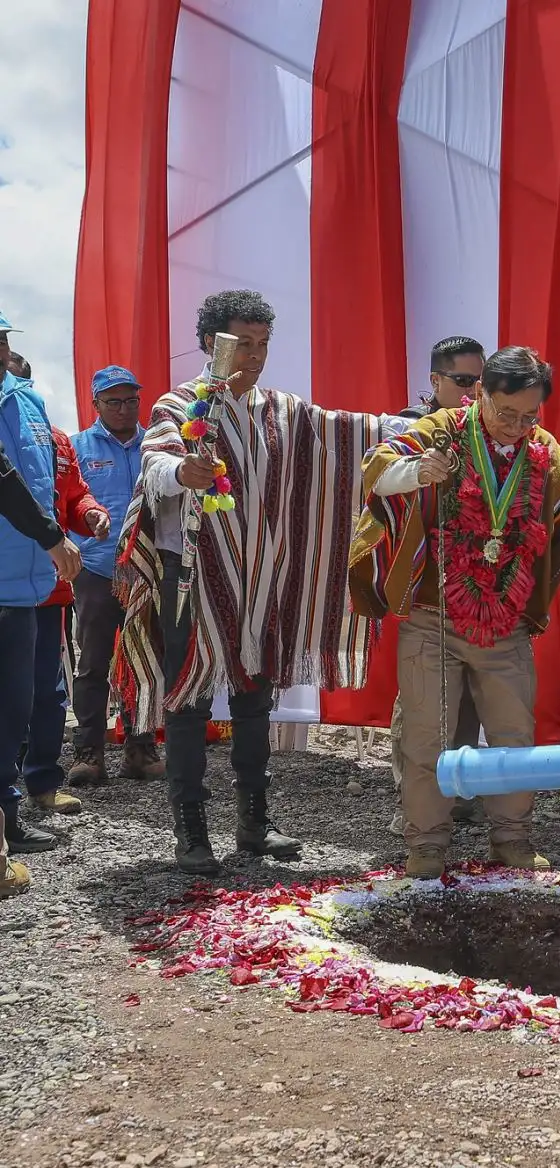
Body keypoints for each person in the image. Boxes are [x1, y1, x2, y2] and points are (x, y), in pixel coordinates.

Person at [112, 290, 389, 874]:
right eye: (244, 343)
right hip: (188, 574)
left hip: (262, 574)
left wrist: (415, 424)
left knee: (254, 697)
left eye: (264, 344)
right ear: (210, 342)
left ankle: (253, 824)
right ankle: (191, 831)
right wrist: (180, 470)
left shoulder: (280, 409)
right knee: (186, 696)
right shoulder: (181, 403)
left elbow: (346, 432)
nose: (256, 356)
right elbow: (157, 461)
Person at [353, 346, 560, 878]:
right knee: (428, 737)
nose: (517, 427)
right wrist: (417, 471)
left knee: (515, 738)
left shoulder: (542, 449)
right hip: (434, 619)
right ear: (480, 396)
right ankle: (426, 848)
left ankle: (512, 840)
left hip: (506, 624)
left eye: (529, 416)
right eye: (505, 413)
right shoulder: (442, 430)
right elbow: (376, 472)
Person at [385, 336, 485, 832]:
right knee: (423, 696)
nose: (474, 392)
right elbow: (378, 482)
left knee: (470, 689)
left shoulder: (494, 426)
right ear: (435, 381)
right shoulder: (406, 427)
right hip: (427, 582)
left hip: (481, 582)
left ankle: (460, 791)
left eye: (481, 382)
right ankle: (414, 798)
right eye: (464, 381)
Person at [0, 316, 85, 898]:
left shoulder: (26, 405)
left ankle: (7, 824)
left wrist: (55, 539)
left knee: (18, 708)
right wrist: (53, 539)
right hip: (13, 576)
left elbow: (40, 480)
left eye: (4, 339)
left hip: (25, 584)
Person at [10, 425, 110, 840]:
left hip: (49, 589)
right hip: (7, 588)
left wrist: (89, 513)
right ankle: (7, 795)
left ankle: (43, 784)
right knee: (10, 695)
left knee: (47, 694)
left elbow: (72, 495)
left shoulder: (55, 441)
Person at [66, 366, 163, 787]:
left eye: (131, 400)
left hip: (148, 571)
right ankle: (89, 754)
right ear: (95, 405)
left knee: (145, 663)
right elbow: (65, 501)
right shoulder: (76, 447)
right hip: (96, 570)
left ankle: (140, 750)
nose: (124, 409)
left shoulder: (158, 446)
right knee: (91, 665)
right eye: (113, 402)